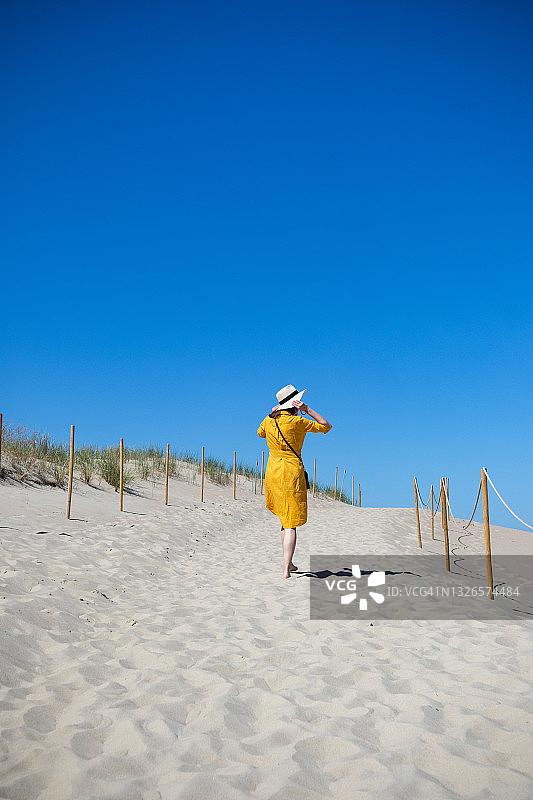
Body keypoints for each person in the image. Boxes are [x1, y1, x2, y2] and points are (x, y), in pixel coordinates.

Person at [257, 385, 332, 578]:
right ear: (295, 405)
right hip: (291, 472)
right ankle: (285, 569)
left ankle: (288, 564)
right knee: (290, 523)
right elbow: (326, 426)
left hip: (273, 472)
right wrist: (308, 410)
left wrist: (272, 412)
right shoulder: (298, 421)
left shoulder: (269, 421)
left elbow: (260, 433)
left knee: (285, 519)